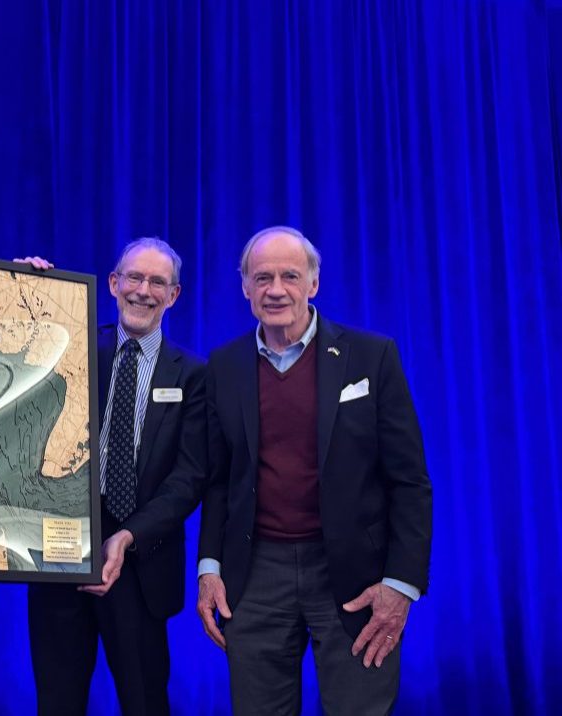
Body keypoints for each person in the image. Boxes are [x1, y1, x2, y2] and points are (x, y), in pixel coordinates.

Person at [196, 227, 433, 715]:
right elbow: (218, 478)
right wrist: (209, 568)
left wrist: (401, 584)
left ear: (314, 284)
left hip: (354, 576)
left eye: (289, 276)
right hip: (256, 573)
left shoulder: (372, 356)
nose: (276, 289)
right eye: (262, 278)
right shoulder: (223, 366)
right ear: (244, 287)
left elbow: (409, 481)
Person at [23, 238, 207, 716]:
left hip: (141, 561)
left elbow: (189, 478)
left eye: (158, 282)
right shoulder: (73, 346)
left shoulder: (193, 375)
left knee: (145, 703)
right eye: (134, 278)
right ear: (113, 283)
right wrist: (21, 285)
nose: (143, 291)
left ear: (175, 295)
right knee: (57, 703)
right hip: (61, 553)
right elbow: (18, 343)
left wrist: (127, 536)